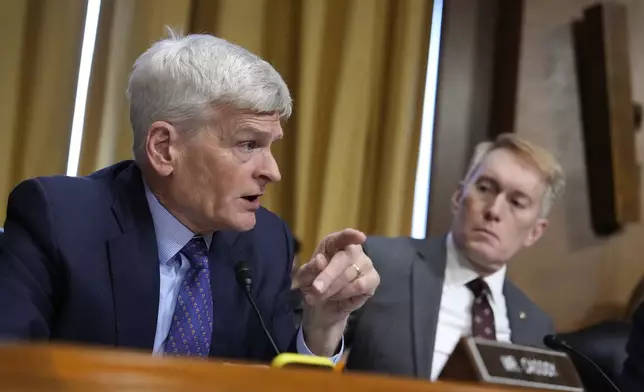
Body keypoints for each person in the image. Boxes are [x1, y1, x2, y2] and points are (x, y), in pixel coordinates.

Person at [0, 31, 380, 363]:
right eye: (248, 144)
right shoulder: (59, 220)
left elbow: (276, 378)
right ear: (165, 149)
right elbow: (13, 368)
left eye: (270, 146)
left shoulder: (264, 242)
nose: (273, 171)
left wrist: (323, 324)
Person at [345, 134, 565, 380]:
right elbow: (304, 347)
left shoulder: (537, 328)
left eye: (516, 202)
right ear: (458, 196)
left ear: (535, 232)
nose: (494, 210)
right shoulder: (380, 264)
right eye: (484, 189)